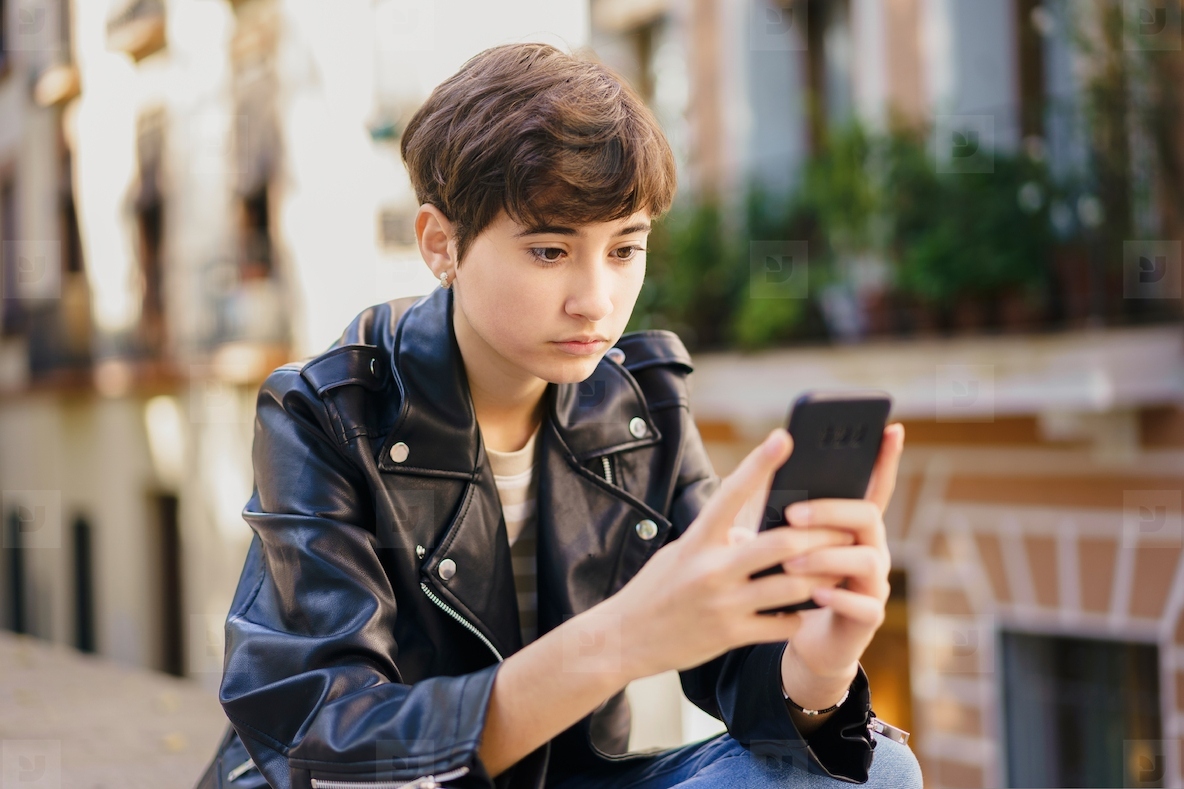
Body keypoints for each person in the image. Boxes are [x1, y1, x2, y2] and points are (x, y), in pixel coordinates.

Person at [195, 42, 922, 789]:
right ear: (440, 243)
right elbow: (332, 749)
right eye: (549, 251)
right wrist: (623, 636)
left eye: (625, 248)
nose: (596, 299)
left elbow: (736, 665)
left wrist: (819, 663)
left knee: (878, 767)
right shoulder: (326, 412)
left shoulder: (642, 408)